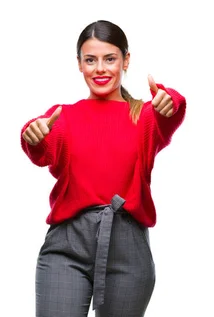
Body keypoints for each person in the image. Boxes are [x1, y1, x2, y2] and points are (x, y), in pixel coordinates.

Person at [21, 20, 186, 317]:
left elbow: (172, 112)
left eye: (110, 59)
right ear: (79, 64)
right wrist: (32, 136)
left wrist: (169, 100)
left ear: (126, 60)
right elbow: (41, 148)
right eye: (90, 60)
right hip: (67, 246)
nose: (100, 69)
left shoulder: (144, 117)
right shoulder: (64, 117)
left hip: (128, 249)